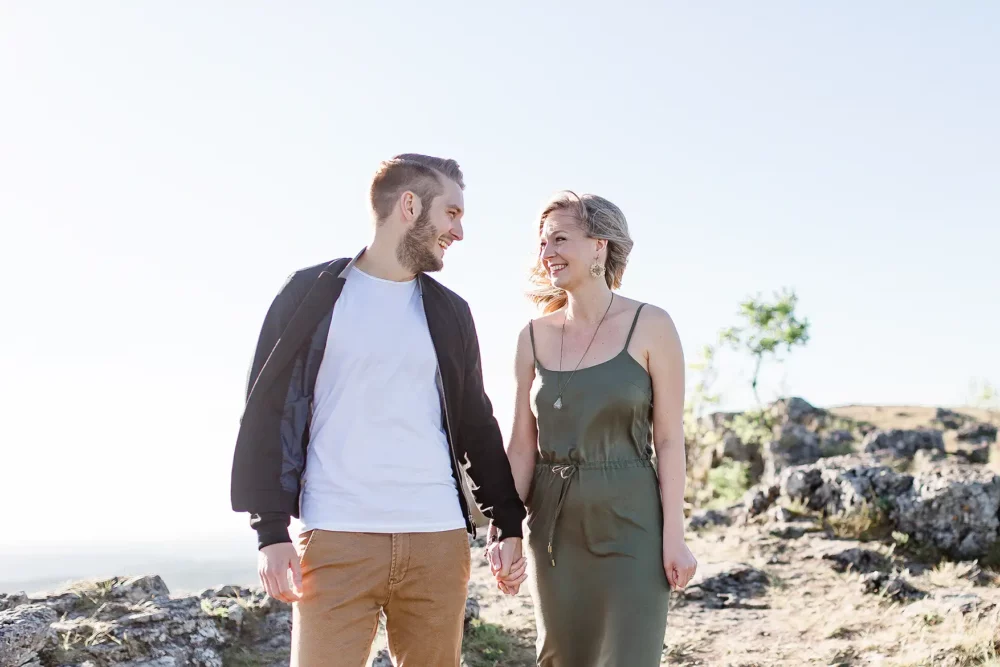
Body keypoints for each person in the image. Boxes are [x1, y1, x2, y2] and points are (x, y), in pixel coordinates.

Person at [230, 154, 528, 667]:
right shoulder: (309, 295)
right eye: (452, 214)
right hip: (336, 537)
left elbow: (477, 421)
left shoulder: (451, 311)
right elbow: (265, 411)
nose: (459, 232)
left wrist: (507, 521)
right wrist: (270, 532)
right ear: (409, 206)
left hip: (438, 540)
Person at [496, 191, 697, 666]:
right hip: (553, 528)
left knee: (629, 656)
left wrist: (675, 534)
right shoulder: (531, 337)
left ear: (600, 246)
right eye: (543, 243)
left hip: (632, 524)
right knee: (563, 658)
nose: (547, 254)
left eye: (560, 239)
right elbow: (522, 446)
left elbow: (668, 440)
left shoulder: (652, 325)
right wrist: (505, 531)